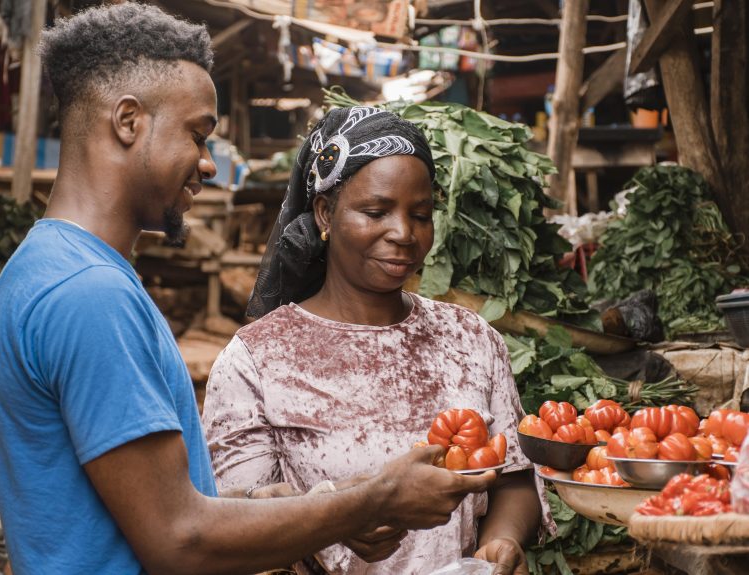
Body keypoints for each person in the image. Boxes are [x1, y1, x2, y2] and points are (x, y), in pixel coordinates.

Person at [0, 4, 497, 574]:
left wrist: (302, 506)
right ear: (129, 121)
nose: (208, 165)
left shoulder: (38, 268)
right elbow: (180, 540)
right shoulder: (90, 297)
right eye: (198, 135)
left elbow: (131, 507)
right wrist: (372, 501)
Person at [202, 106, 555, 575]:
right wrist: (337, 519)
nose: (404, 233)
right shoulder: (257, 359)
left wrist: (501, 540)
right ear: (325, 213)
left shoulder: (470, 338)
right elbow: (240, 526)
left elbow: (512, 477)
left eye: (422, 214)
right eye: (376, 212)